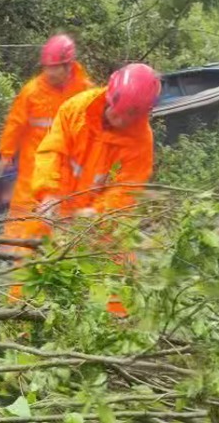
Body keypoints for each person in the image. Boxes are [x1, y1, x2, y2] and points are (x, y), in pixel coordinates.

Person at [27, 62, 162, 316]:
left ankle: (117, 331)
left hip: (100, 223)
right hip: (56, 210)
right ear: (109, 97)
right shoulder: (76, 109)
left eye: (128, 117)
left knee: (117, 285)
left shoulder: (140, 140)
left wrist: (98, 213)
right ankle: (24, 324)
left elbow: (128, 189)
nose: (119, 120)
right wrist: (48, 193)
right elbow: (50, 151)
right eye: (116, 112)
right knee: (34, 276)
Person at [0, 34, 92, 297]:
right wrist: (6, 153)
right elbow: (16, 122)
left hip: (68, 173)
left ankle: (58, 272)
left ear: (68, 66)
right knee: (23, 219)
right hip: (33, 168)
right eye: (46, 68)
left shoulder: (84, 91)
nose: (48, 73)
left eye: (54, 68)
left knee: (64, 224)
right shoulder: (32, 91)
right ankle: (13, 270)